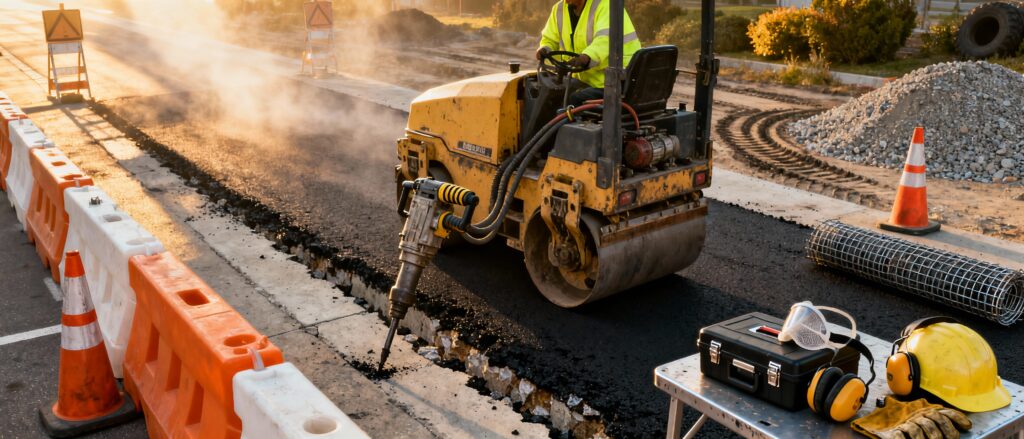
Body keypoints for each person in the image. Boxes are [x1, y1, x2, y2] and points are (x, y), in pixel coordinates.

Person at [535, 0, 641, 107]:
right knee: (554, 94)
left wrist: (586, 57)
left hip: (615, 81)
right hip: (585, 79)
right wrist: (545, 48)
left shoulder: (606, 5)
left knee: (573, 100)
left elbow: (605, 39)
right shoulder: (558, 9)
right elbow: (550, 39)